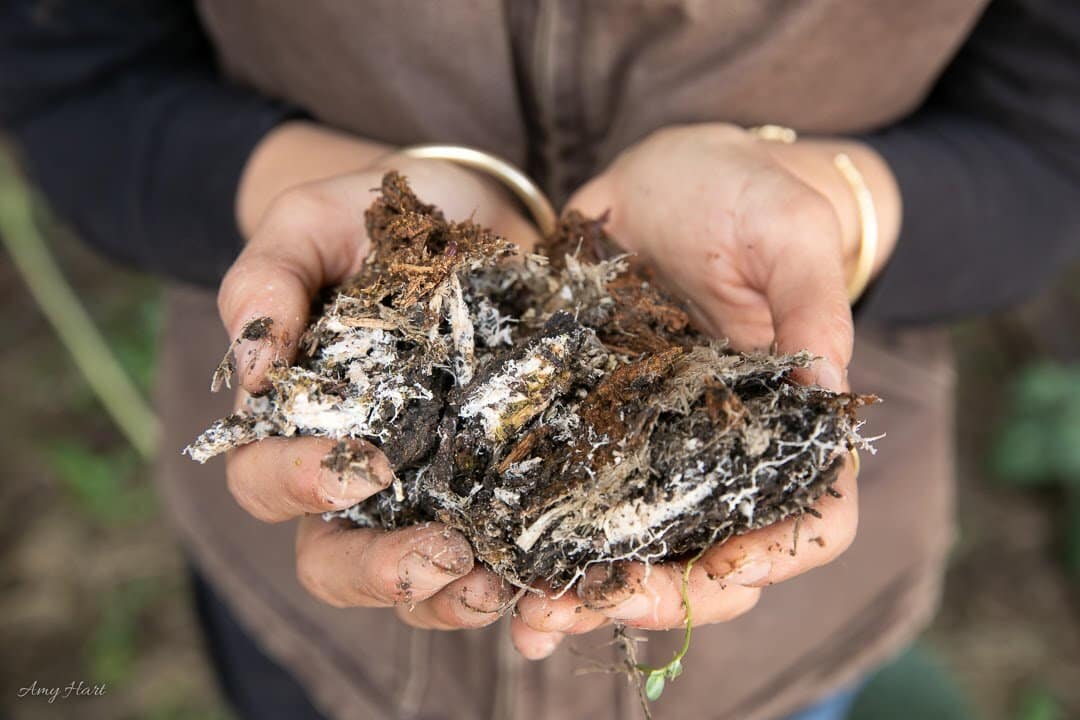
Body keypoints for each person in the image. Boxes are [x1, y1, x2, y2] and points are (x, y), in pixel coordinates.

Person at [2, 1, 1077, 719]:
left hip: (766, 646)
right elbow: (76, 72)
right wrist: (378, 207)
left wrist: (837, 208)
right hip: (317, 632)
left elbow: (1048, 136)